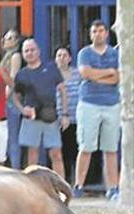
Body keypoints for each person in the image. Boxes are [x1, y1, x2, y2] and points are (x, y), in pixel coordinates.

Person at [74, 21, 120, 201]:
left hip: (112, 104)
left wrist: (97, 76)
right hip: (89, 104)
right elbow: (85, 73)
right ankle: (78, 186)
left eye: (101, 31)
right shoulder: (84, 53)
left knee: (111, 149)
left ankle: (113, 188)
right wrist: (108, 72)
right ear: (90, 34)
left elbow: (119, 77)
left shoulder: (115, 53)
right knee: (86, 147)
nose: (98, 34)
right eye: (94, 31)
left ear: (107, 33)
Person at [13, 39, 68, 177]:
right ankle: (33, 188)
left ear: (38, 51)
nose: (29, 53)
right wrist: (22, 109)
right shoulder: (21, 74)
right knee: (32, 154)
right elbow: (15, 97)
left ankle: (61, 187)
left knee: (56, 153)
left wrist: (65, 114)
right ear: (23, 54)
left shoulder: (51, 68)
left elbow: (62, 91)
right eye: (26, 51)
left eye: (32, 50)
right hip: (31, 119)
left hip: (51, 117)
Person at [55, 46, 81, 185]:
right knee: (61, 152)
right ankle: (63, 182)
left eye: (65, 55)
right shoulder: (52, 75)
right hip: (58, 119)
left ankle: (77, 181)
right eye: (59, 55)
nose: (62, 58)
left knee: (76, 151)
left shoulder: (78, 73)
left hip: (77, 117)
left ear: (70, 58)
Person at [1, 29, 24, 169]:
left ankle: (15, 169)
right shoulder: (6, 56)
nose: (5, 40)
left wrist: (3, 97)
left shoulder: (15, 56)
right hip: (5, 99)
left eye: (9, 38)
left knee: (12, 138)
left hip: (9, 100)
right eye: (5, 37)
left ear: (16, 41)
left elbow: (12, 78)